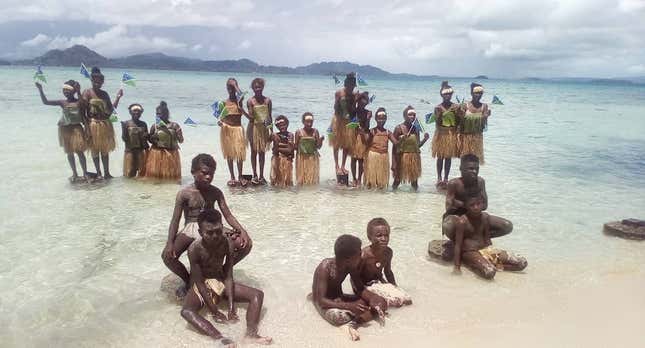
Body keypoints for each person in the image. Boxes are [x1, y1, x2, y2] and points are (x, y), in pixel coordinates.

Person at [162, 154, 252, 296]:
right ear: (193, 172)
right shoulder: (184, 194)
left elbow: (227, 215)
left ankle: (222, 272)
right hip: (191, 227)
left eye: (212, 173)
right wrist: (169, 243)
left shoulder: (215, 192)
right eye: (204, 173)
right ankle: (188, 280)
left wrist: (242, 231)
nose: (208, 177)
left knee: (246, 244)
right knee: (167, 257)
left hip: (213, 227)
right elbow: (175, 220)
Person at [181, 209, 272, 346]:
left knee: (257, 295)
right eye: (209, 233)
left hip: (220, 280)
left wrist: (231, 307)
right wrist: (214, 311)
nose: (215, 236)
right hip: (203, 285)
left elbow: (228, 275)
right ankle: (220, 338)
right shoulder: (194, 249)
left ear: (222, 227)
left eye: (218, 231)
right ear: (200, 232)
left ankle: (251, 334)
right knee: (187, 311)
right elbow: (199, 282)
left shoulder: (227, 242)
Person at [311, 234, 388, 341]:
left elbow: (360, 289)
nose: (362, 255)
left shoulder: (351, 266)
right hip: (325, 301)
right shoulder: (324, 268)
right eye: (359, 253)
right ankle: (351, 322)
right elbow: (320, 300)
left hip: (339, 298)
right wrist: (349, 306)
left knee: (381, 303)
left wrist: (373, 298)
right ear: (348, 259)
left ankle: (354, 323)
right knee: (340, 318)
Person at [441, 154, 514, 259]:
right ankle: (462, 243)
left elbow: (485, 205)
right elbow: (448, 206)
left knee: (507, 226)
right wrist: (470, 205)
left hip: (476, 217)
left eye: (476, 169)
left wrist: (461, 204)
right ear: (461, 168)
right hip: (457, 217)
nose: (474, 171)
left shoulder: (480, 182)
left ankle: (475, 240)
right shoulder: (454, 184)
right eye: (470, 169)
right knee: (448, 225)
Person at [452, 194, 527, 279]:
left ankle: (493, 266)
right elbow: (458, 245)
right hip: (470, 252)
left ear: (483, 204)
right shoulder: (462, 222)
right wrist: (456, 267)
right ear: (466, 206)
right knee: (489, 273)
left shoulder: (485, 217)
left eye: (478, 204)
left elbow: (487, 239)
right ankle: (474, 263)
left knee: (522, 263)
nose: (476, 207)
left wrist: (493, 253)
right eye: (472, 205)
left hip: (485, 249)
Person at [35, 80, 89, 182]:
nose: (65, 92)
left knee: (80, 152)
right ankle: (75, 173)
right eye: (64, 90)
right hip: (64, 129)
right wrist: (40, 89)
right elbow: (45, 102)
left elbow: (84, 108)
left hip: (77, 128)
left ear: (73, 91)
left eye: (68, 90)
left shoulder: (79, 101)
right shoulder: (62, 102)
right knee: (69, 152)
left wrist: (79, 91)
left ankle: (85, 173)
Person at [355, 218, 412, 307]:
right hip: (364, 285)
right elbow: (355, 277)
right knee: (383, 303)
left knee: (406, 300)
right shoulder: (364, 255)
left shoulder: (388, 252)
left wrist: (395, 287)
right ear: (370, 237)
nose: (384, 239)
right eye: (379, 235)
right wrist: (361, 293)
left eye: (386, 235)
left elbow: (388, 272)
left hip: (378, 281)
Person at [80, 67, 121, 179]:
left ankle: (107, 173)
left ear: (102, 82)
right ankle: (98, 173)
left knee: (105, 150)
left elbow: (110, 111)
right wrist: (86, 127)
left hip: (104, 124)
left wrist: (118, 98)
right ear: (91, 80)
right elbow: (82, 111)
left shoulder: (104, 94)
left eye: (100, 81)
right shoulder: (87, 92)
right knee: (94, 150)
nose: (97, 83)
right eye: (95, 81)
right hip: (92, 124)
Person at [219, 78, 249, 187]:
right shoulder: (223, 103)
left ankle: (240, 176)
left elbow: (241, 94)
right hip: (227, 129)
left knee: (240, 154)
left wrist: (235, 85)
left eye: (232, 88)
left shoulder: (239, 100)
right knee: (230, 154)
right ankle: (232, 176)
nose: (231, 90)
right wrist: (220, 123)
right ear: (226, 89)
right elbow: (220, 118)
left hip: (238, 129)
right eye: (229, 87)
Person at [392, 106, 429, 191]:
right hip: (401, 157)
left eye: (413, 115)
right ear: (404, 115)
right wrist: (394, 163)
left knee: (414, 182)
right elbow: (395, 147)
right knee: (397, 180)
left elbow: (417, 145)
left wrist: (425, 139)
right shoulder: (399, 128)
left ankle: (414, 200)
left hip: (414, 157)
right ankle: (392, 198)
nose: (412, 116)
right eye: (410, 114)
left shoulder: (416, 128)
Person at [143, 101, 183, 181]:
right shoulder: (154, 126)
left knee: (171, 179)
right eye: (157, 114)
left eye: (160, 114)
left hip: (171, 154)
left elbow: (181, 140)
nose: (158, 116)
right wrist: (149, 137)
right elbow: (151, 141)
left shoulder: (174, 126)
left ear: (166, 114)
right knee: (155, 178)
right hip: (156, 154)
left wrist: (178, 134)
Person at [432, 81, 461, 188]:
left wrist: (459, 112)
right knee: (440, 157)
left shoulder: (456, 107)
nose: (448, 96)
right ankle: (439, 178)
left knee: (448, 157)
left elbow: (459, 122)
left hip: (451, 134)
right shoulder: (438, 107)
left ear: (452, 94)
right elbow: (437, 124)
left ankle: (446, 178)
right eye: (445, 94)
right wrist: (439, 115)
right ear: (442, 95)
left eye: (449, 94)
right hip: (441, 134)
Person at [361, 108, 398, 189]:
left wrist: (403, 139)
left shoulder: (388, 132)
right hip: (373, 156)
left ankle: (380, 200)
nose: (381, 120)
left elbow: (396, 143)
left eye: (383, 118)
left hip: (384, 157)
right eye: (379, 118)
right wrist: (367, 121)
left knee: (381, 182)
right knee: (371, 180)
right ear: (376, 119)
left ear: (386, 119)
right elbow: (366, 141)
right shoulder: (372, 131)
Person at [246, 78, 273, 185]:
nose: (258, 89)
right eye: (255, 87)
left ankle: (261, 175)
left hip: (264, 128)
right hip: (253, 128)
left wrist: (272, 131)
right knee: (253, 152)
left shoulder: (268, 101)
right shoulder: (250, 101)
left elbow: (269, 117)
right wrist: (243, 110)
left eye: (259, 86)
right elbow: (251, 118)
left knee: (262, 152)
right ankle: (255, 174)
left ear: (263, 87)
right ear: (252, 88)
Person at [330, 73, 358, 176]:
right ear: (346, 83)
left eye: (353, 85)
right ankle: (336, 165)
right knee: (336, 144)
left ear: (354, 85)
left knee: (346, 144)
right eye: (349, 84)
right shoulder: (339, 93)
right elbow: (335, 107)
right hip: (338, 120)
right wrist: (341, 104)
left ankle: (343, 166)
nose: (351, 86)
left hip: (349, 121)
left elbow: (355, 108)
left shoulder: (355, 94)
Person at [459, 83, 490, 164]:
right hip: (466, 136)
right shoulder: (465, 105)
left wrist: (486, 117)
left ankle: (474, 175)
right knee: (465, 157)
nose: (478, 95)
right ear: (471, 93)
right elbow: (460, 123)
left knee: (476, 158)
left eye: (480, 93)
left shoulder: (484, 106)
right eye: (476, 92)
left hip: (478, 136)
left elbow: (484, 125)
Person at [295, 112, 323, 186]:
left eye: (311, 122)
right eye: (307, 122)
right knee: (302, 179)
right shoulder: (298, 132)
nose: (309, 124)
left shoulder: (315, 131)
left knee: (312, 179)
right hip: (302, 158)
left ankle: (312, 194)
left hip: (312, 158)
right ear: (303, 122)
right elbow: (295, 147)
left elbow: (318, 147)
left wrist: (321, 140)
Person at [121, 103, 149, 178]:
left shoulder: (143, 124)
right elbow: (124, 139)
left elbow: (146, 138)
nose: (136, 112)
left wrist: (146, 136)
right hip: (129, 150)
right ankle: (129, 189)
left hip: (140, 151)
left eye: (138, 111)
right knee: (129, 172)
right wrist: (124, 129)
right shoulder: (126, 123)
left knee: (141, 173)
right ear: (130, 112)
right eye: (134, 111)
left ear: (141, 113)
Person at [350, 92, 372, 186]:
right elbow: (350, 124)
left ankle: (359, 179)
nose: (362, 104)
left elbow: (367, 127)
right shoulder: (353, 111)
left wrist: (367, 119)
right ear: (358, 102)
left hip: (363, 136)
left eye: (364, 103)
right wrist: (356, 98)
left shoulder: (368, 112)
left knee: (361, 159)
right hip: (354, 136)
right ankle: (354, 178)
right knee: (353, 158)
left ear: (366, 103)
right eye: (361, 102)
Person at [270, 115, 294, 187]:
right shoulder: (275, 135)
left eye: (284, 125)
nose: (282, 127)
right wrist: (271, 131)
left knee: (287, 181)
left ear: (287, 124)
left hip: (286, 159)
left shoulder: (290, 135)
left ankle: (287, 196)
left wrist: (277, 148)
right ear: (277, 127)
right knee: (275, 179)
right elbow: (267, 141)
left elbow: (289, 150)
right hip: (276, 160)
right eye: (280, 126)